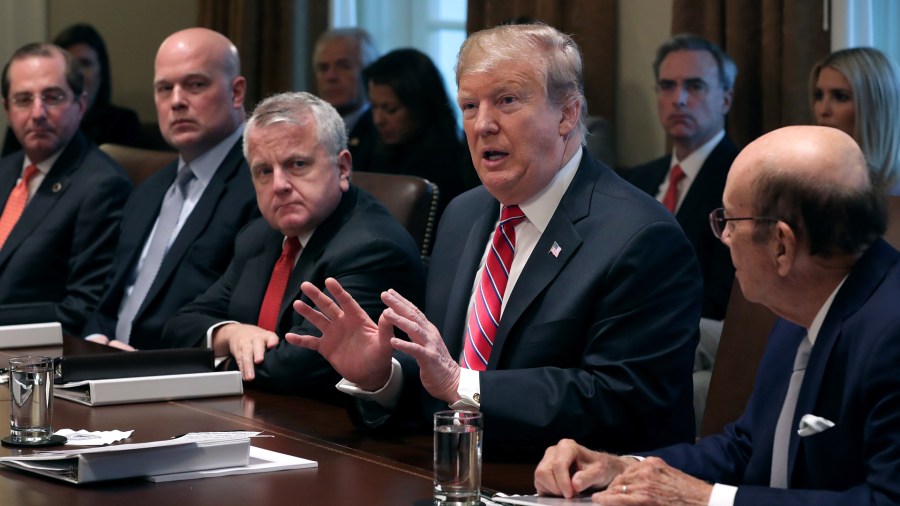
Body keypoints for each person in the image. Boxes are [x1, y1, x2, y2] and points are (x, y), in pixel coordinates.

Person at [288, 23, 702, 457]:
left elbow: (621, 402)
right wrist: (383, 377)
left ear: (568, 114)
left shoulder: (640, 237)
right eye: (469, 105)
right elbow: (443, 375)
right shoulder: (463, 215)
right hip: (454, 476)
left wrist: (457, 383)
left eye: (506, 100)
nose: (483, 124)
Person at [534, 125, 900, 505]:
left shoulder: (890, 332)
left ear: (781, 245)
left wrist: (706, 499)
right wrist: (623, 468)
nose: (723, 237)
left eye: (731, 221)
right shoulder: (802, 304)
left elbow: (886, 500)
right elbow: (746, 447)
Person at [161, 92, 425, 397]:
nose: (279, 185)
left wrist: (214, 360)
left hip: (330, 433)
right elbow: (180, 326)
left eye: (297, 164)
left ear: (342, 168)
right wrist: (228, 333)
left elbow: (295, 368)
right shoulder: (259, 236)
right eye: (264, 171)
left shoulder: (372, 248)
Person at [81, 28, 258, 350]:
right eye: (165, 88)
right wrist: (96, 343)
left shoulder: (262, 187)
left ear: (236, 92)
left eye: (195, 85)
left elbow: (237, 315)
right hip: (104, 365)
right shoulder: (148, 190)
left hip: (178, 379)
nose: (176, 101)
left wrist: (142, 364)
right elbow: (110, 298)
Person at [0, 43, 131, 335]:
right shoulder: (5, 170)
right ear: (7, 109)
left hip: (33, 360)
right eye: (23, 99)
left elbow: (82, 307)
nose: (37, 113)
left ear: (80, 105)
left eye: (52, 97)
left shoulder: (103, 185)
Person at [625, 34, 737, 322]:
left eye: (695, 86)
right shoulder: (637, 180)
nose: (679, 100)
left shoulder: (742, 179)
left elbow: (725, 296)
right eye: (667, 86)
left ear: (726, 99)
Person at [363, 48, 475, 219]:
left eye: (391, 109)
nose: (378, 120)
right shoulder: (369, 150)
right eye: (374, 107)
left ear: (420, 106)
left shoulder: (452, 166)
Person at [2, 24, 142, 156]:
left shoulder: (123, 123)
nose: (77, 72)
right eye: (70, 63)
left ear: (101, 72)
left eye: (85, 63)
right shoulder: (27, 122)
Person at [811, 46, 900, 195]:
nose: (822, 110)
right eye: (819, 96)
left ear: (875, 108)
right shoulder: (813, 181)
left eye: (840, 96)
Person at [313, 28, 379, 172]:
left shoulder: (382, 130)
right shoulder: (306, 129)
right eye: (323, 68)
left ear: (368, 72)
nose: (331, 76)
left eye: (344, 66)